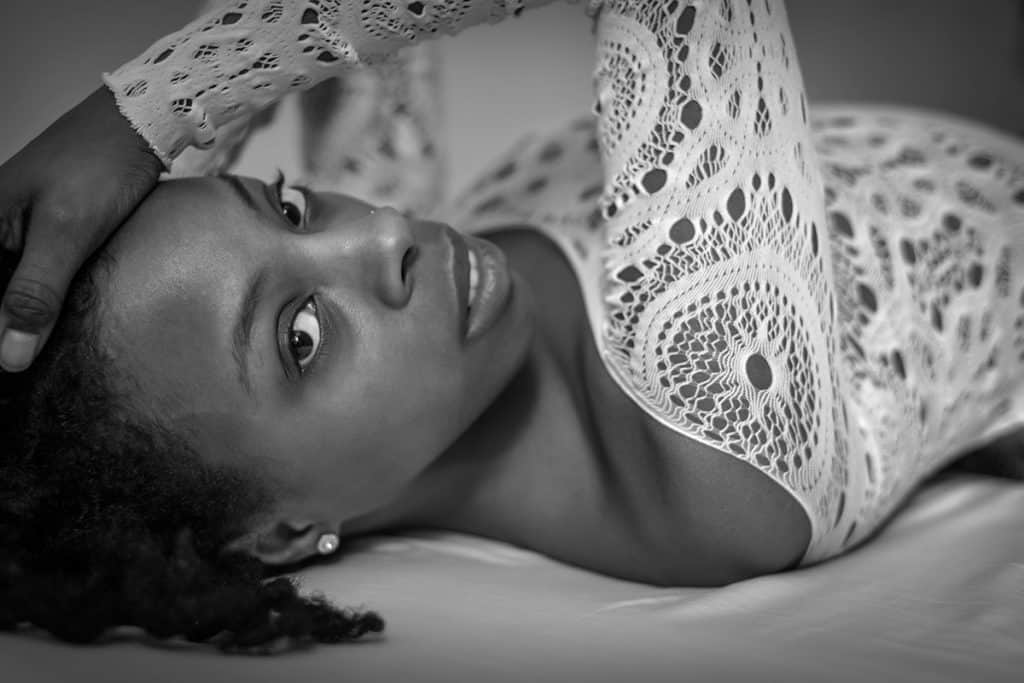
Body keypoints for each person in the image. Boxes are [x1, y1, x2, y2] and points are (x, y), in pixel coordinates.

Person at [2, 0, 1023, 653]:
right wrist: (153, 104)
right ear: (272, 533)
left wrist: (169, 141)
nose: (381, 237)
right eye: (299, 337)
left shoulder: (433, 297)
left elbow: (366, 55)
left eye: (286, 206)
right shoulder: (709, 446)